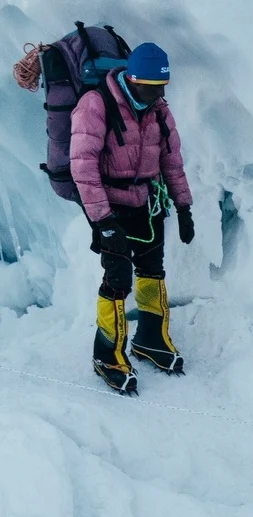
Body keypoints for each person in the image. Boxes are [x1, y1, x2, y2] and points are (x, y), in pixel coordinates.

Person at [70, 41, 194, 394]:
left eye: (162, 87)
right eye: (151, 88)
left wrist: (183, 207)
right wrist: (103, 221)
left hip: (146, 201)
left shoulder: (158, 110)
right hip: (109, 206)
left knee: (152, 270)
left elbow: (172, 160)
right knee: (117, 279)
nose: (158, 95)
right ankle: (107, 356)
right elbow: (83, 168)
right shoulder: (95, 105)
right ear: (132, 79)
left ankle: (150, 339)